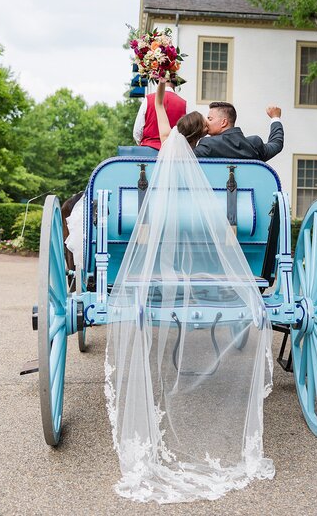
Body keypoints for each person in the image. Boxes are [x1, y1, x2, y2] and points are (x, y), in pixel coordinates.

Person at [105, 79, 275, 504]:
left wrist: (159, 94)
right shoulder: (224, 150)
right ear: (210, 128)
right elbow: (270, 150)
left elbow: (163, 122)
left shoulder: (177, 150)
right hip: (229, 237)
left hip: (160, 247)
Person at [193, 101, 283, 160]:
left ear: (223, 122)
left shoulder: (207, 145)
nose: (206, 123)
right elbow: (276, 144)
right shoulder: (254, 143)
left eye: (210, 119)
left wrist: (198, 134)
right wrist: (275, 117)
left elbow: (185, 159)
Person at [133, 76, 187, 150]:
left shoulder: (148, 99)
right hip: (173, 152)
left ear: (158, 82)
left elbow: (137, 133)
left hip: (148, 151)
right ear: (175, 85)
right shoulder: (184, 104)